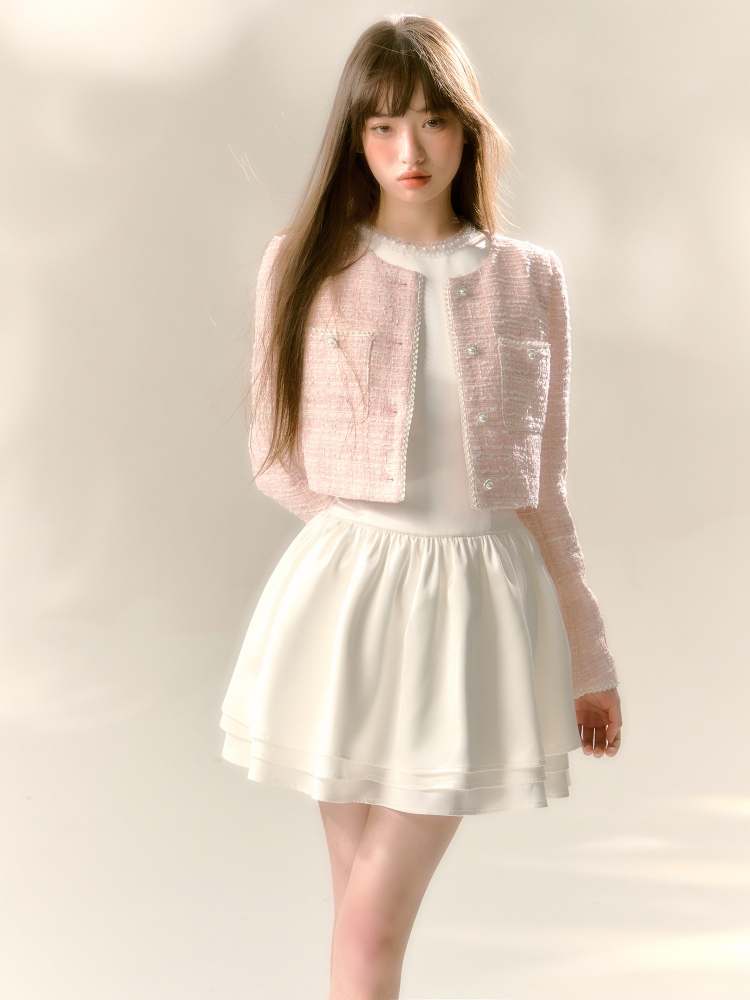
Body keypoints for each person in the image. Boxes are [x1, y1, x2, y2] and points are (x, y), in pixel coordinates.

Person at [219, 13, 623, 999]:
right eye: (384, 126)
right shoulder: (306, 264)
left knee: (371, 921)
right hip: (347, 605)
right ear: (356, 137)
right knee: (362, 922)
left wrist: (590, 654)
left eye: (434, 121)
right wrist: (368, 542)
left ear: (467, 130)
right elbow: (273, 453)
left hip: (475, 610)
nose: (411, 149)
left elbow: (544, 485)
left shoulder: (529, 279)